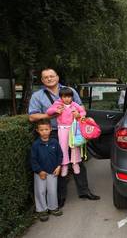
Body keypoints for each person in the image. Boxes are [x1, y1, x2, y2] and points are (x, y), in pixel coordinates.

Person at [29, 68, 100, 208]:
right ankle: (60, 197)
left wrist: (80, 115)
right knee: (60, 163)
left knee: (78, 160)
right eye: (46, 77)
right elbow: (32, 116)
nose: (49, 79)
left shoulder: (70, 90)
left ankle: (84, 191)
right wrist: (50, 115)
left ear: (57, 76)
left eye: (51, 76)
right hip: (53, 133)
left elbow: (80, 106)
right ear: (42, 80)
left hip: (73, 131)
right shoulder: (37, 96)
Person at [46, 87, 86, 176]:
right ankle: (65, 165)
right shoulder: (58, 104)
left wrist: (79, 114)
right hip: (62, 128)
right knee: (63, 147)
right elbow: (48, 111)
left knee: (74, 146)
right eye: (64, 97)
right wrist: (56, 110)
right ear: (61, 97)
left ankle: (75, 163)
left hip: (73, 128)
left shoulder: (75, 105)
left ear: (72, 97)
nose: (67, 99)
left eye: (69, 97)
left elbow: (83, 112)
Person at [31, 119, 63, 222]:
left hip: (53, 171)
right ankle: (42, 210)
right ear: (38, 131)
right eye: (42, 130)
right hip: (40, 173)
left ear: (50, 129)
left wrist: (59, 166)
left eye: (46, 129)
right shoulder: (36, 145)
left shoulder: (54, 142)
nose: (44, 132)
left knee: (52, 190)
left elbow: (60, 155)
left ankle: (53, 207)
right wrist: (39, 171)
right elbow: (33, 159)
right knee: (40, 191)